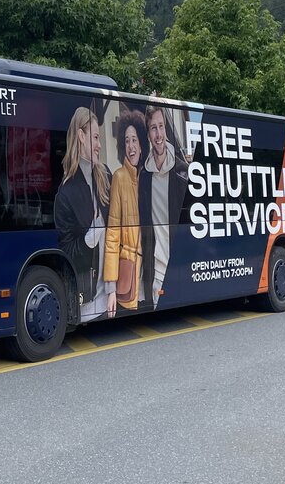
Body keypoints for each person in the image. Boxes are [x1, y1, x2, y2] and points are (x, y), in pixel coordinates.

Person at [54, 106, 112, 322]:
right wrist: (90, 237)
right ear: (80, 136)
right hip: (88, 300)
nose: (99, 145)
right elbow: (66, 251)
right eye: (95, 137)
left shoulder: (105, 175)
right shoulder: (66, 194)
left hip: (114, 293)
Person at [138, 105, 188, 310]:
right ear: (148, 134)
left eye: (161, 126)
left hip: (179, 257)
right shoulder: (144, 176)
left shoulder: (182, 171)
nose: (158, 134)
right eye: (153, 128)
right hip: (156, 262)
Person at [105, 108, 146, 316]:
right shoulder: (119, 177)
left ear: (142, 144)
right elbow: (112, 234)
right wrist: (111, 288)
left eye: (135, 140)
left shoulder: (149, 177)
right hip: (131, 270)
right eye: (127, 140)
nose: (131, 146)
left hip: (151, 272)